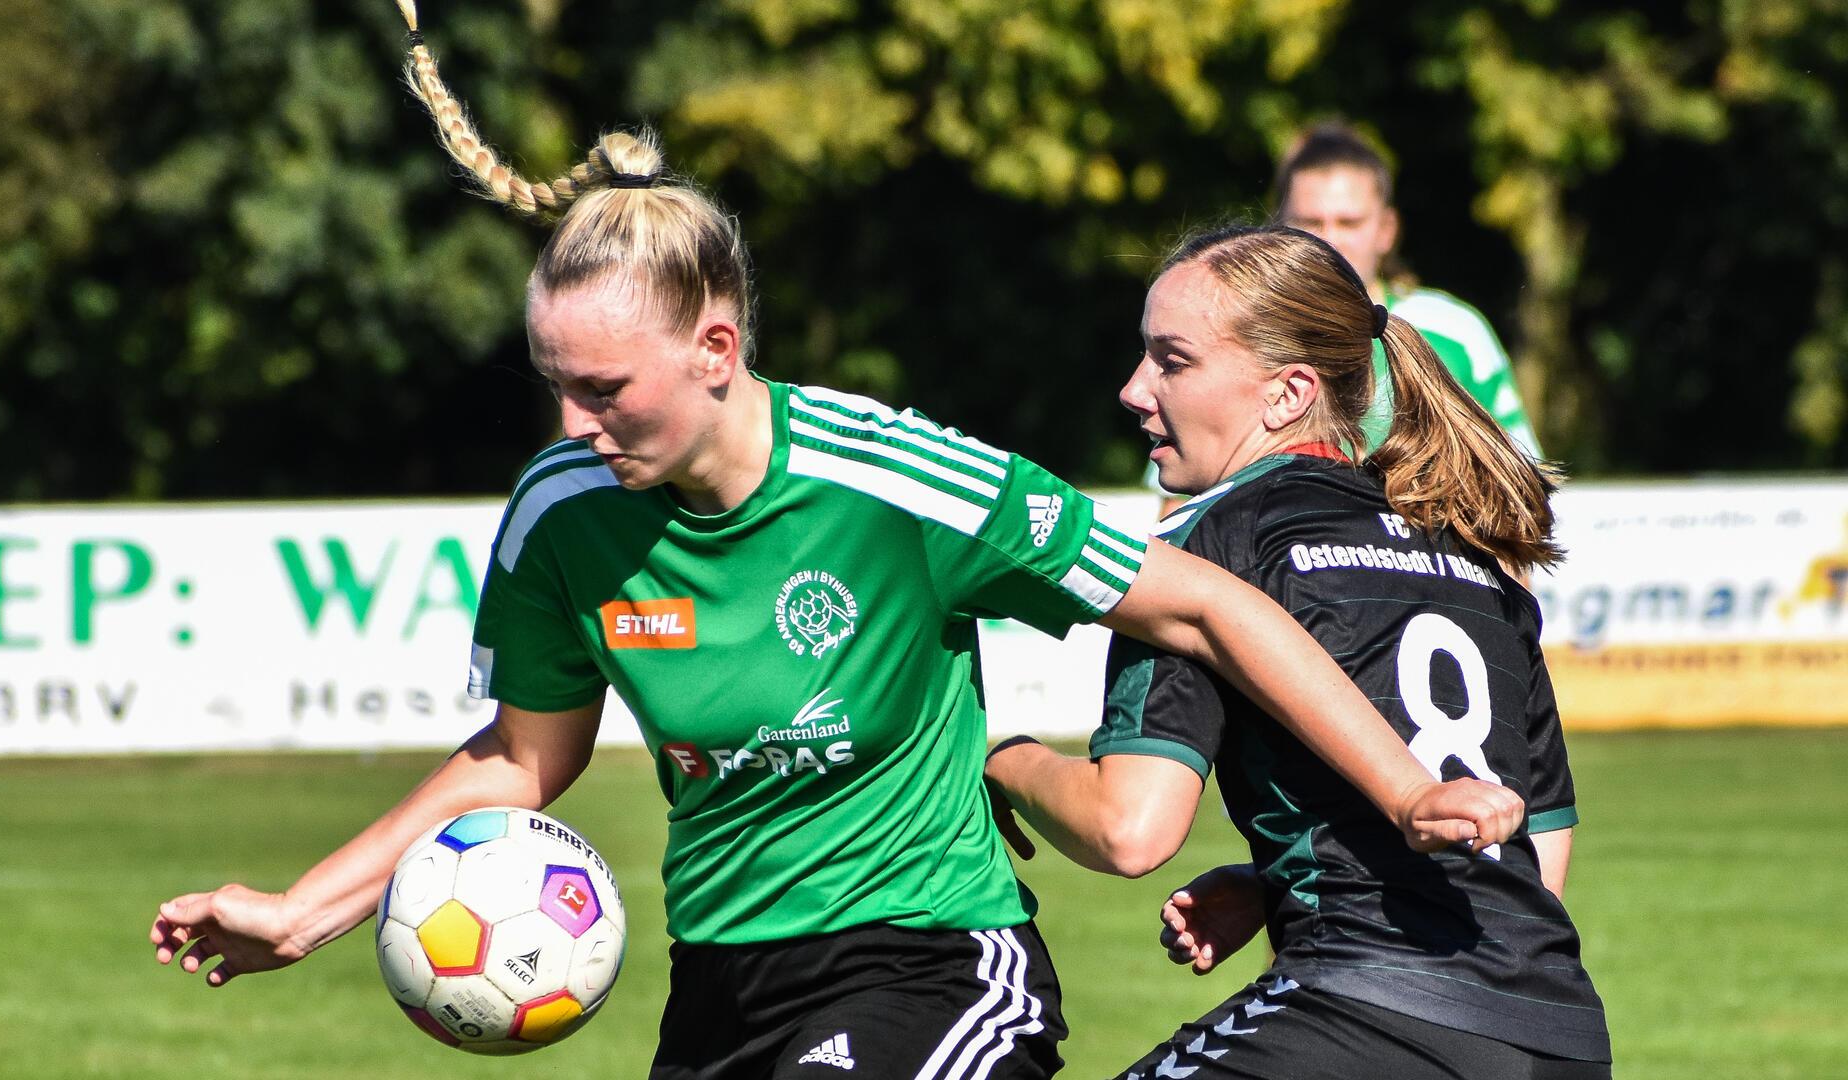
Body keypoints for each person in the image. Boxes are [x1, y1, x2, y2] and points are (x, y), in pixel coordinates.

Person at [147, 8, 1524, 1079]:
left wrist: (1409, 797)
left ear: (716, 350)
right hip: (722, 986)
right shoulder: (564, 516)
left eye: (607, 390)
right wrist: (308, 909)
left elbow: (1212, 608)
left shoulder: (894, 479)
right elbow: (525, 755)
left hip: (931, 966)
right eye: (553, 385)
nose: (573, 421)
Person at [986, 225, 1610, 1078]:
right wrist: (1275, 879)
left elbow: (1126, 829)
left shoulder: (1211, 544)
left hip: (1365, 1016)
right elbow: (1537, 859)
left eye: (1173, 361)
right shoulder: (1472, 555)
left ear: (1287, 396)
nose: (1135, 391)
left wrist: (999, 759)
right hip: (1558, 1035)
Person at [1146, 122, 1540, 517]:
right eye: (1310, 222)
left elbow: (1516, 494)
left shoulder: (1457, 332)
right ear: (1277, 227)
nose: (1329, 239)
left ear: (1386, 230)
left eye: (1349, 223)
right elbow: (1179, 507)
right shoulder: (1231, 325)